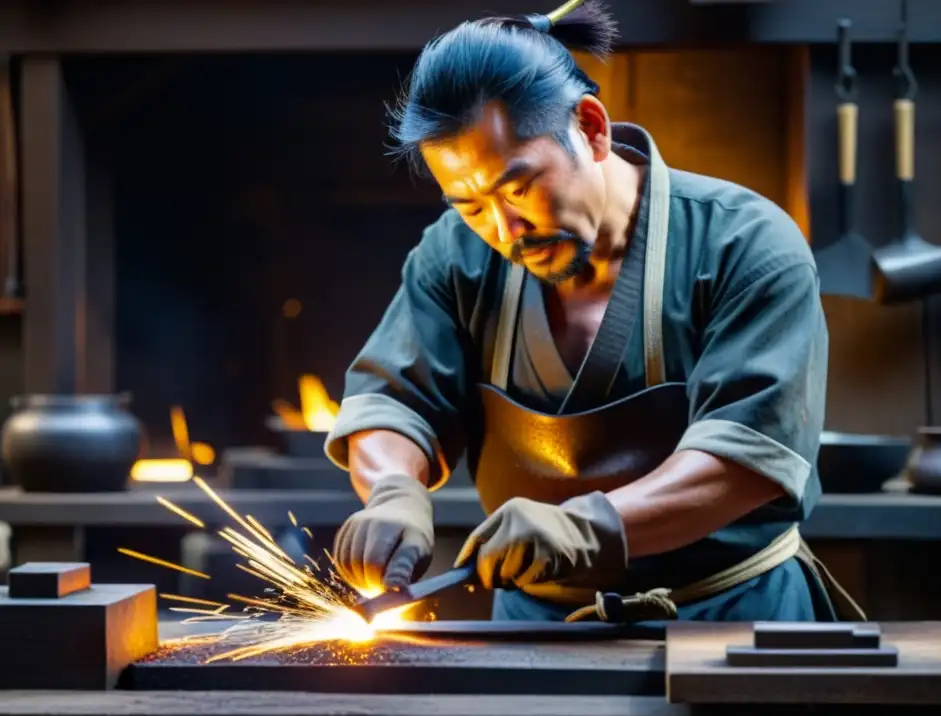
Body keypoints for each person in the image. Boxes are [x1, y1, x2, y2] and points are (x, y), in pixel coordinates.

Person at [325, 0, 862, 623]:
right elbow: (394, 402)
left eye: (519, 186)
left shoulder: (746, 245)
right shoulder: (454, 255)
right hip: (533, 627)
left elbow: (749, 462)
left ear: (592, 127)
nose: (505, 228)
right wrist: (393, 487)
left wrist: (592, 527)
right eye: (470, 204)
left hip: (731, 618)